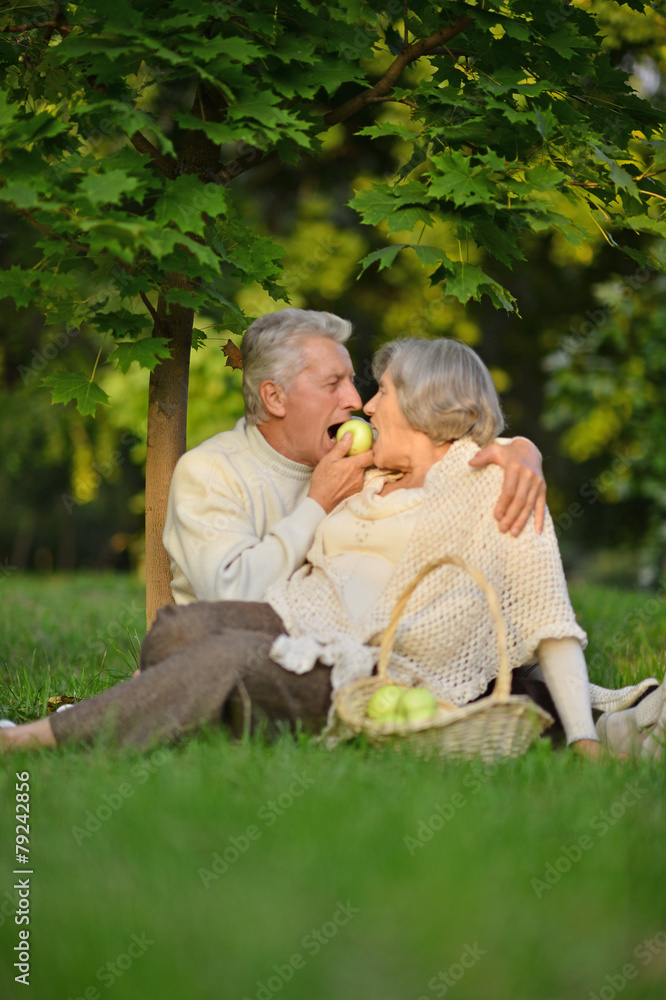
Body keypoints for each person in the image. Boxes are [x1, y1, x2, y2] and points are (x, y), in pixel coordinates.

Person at [3, 337, 663, 760]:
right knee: (182, 628)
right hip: (302, 620)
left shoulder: (496, 483)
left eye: (382, 393)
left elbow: (552, 622)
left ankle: (33, 741)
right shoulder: (367, 470)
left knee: (229, 657)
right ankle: (189, 716)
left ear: (429, 407)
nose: (367, 407)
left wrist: (580, 738)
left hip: (387, 671)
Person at [163, 308, 547, 605]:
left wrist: (520, 450)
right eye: (333, 384)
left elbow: (443, 438)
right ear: (275, 397)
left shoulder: (364, 459)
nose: (356, 401)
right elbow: (233, 596)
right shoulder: (211, 472)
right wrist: (319, 502)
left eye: (351, 380)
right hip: (238, 661)